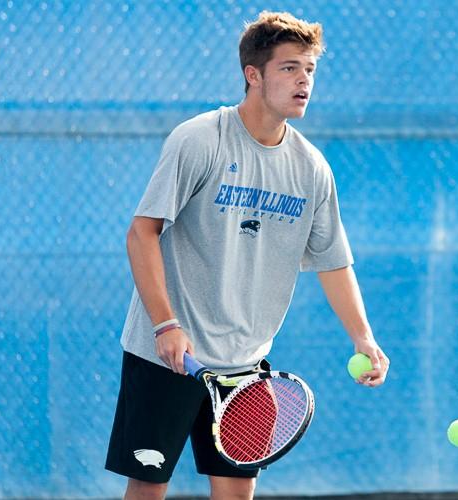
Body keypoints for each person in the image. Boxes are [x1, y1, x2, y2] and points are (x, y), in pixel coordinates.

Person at [105, 11, 390, 500]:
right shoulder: (200, 139)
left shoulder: (311, 169)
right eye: (289, 68)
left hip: (248, 365)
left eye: (310, 70)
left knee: (237, 493)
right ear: (252, 75)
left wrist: (364, 339)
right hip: (167, 355)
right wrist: (165, 325)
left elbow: (333, 261)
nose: (304, 81)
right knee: (148, 491)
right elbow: (142, 233)